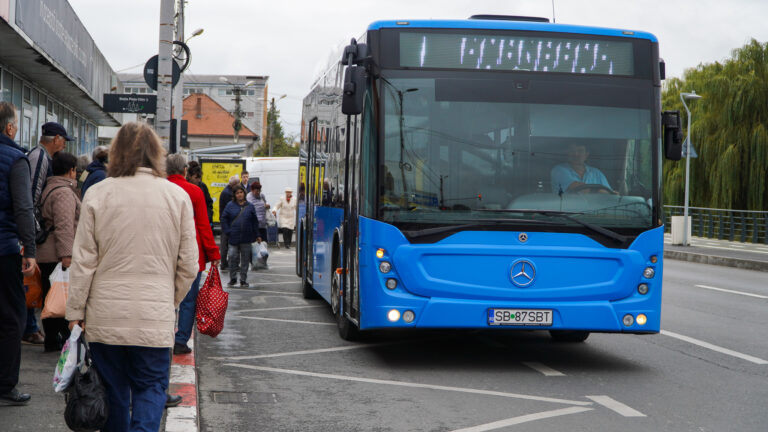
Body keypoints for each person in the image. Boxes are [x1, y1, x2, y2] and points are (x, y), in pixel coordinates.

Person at [66, 122, 198, 431]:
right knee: (151, 388)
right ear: (156, 153)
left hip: (106, 315)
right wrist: (169, 297)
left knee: (113, 393)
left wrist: (75, 311)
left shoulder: (98, 194)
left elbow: (83, 261)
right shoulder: (176, 197)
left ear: (116, 153)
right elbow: (189, 264)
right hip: (154, 315)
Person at [166, 154, 220, 355]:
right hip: (191, 253)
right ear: (184, 171)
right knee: (188, 299)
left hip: (163, 252)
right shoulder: (195, 191)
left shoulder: (160, 189)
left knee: (164, 297)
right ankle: (180, 341)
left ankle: (163, 337)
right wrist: (213, 253)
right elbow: (204, 226)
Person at [0, 102, 36, 405]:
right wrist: (30, 248)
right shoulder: (16, 159)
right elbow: (23, 207)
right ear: (10, 128)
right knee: (11, 318)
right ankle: (6, 385)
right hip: (3, 250)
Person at [23, 122, 71, 345]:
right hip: (35, 235)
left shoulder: (39, 155)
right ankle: (32, 328)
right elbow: (31, 198)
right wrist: (36, 232)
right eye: (63, 141)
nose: (63, 146)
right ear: (57, 139)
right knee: (38, 285)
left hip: (34, 233)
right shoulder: (40, 157)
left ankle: (31, 327)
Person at [36, 151, 80, 352]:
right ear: (71, 171)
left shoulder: (50, 187)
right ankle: (57, 339)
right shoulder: (63, 192)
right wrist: (66, 255)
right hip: (56, 253)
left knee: (50, 296)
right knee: (60, 298)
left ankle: (52, 338)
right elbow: (64, 226)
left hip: (47, 252)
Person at [221, 187, 260, 288]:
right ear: (234, 195)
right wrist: (228, 231)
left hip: (246, 237)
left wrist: (257, 235)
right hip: (233, 237)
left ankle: (243, 279)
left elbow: (254, 222)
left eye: (241, 192)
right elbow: (224, 219)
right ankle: (233, 278)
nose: (239, 194)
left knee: (245, 259)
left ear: (244, 193)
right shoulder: (230, 205)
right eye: (237, 193)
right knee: (233, 257)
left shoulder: (250, 206)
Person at [550, 143, 615, 194]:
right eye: (572, 151)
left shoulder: (596, 173)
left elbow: (609, 193)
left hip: (595, 210)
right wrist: (602, 192)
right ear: (568, 154)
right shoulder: (558, 170)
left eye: (580, 151)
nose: (576, 154)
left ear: (586, 155)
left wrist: (609, 193)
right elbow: (581, 189)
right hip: (565, 210)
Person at [218, 176, 240, 270]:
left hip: (227, 222)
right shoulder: (227, 193)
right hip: (228, 222)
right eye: (238, 184)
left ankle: (226, 263)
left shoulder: (227, 191)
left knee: (226, 244)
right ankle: (225, 264)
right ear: (233, 184)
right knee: (226, 244)